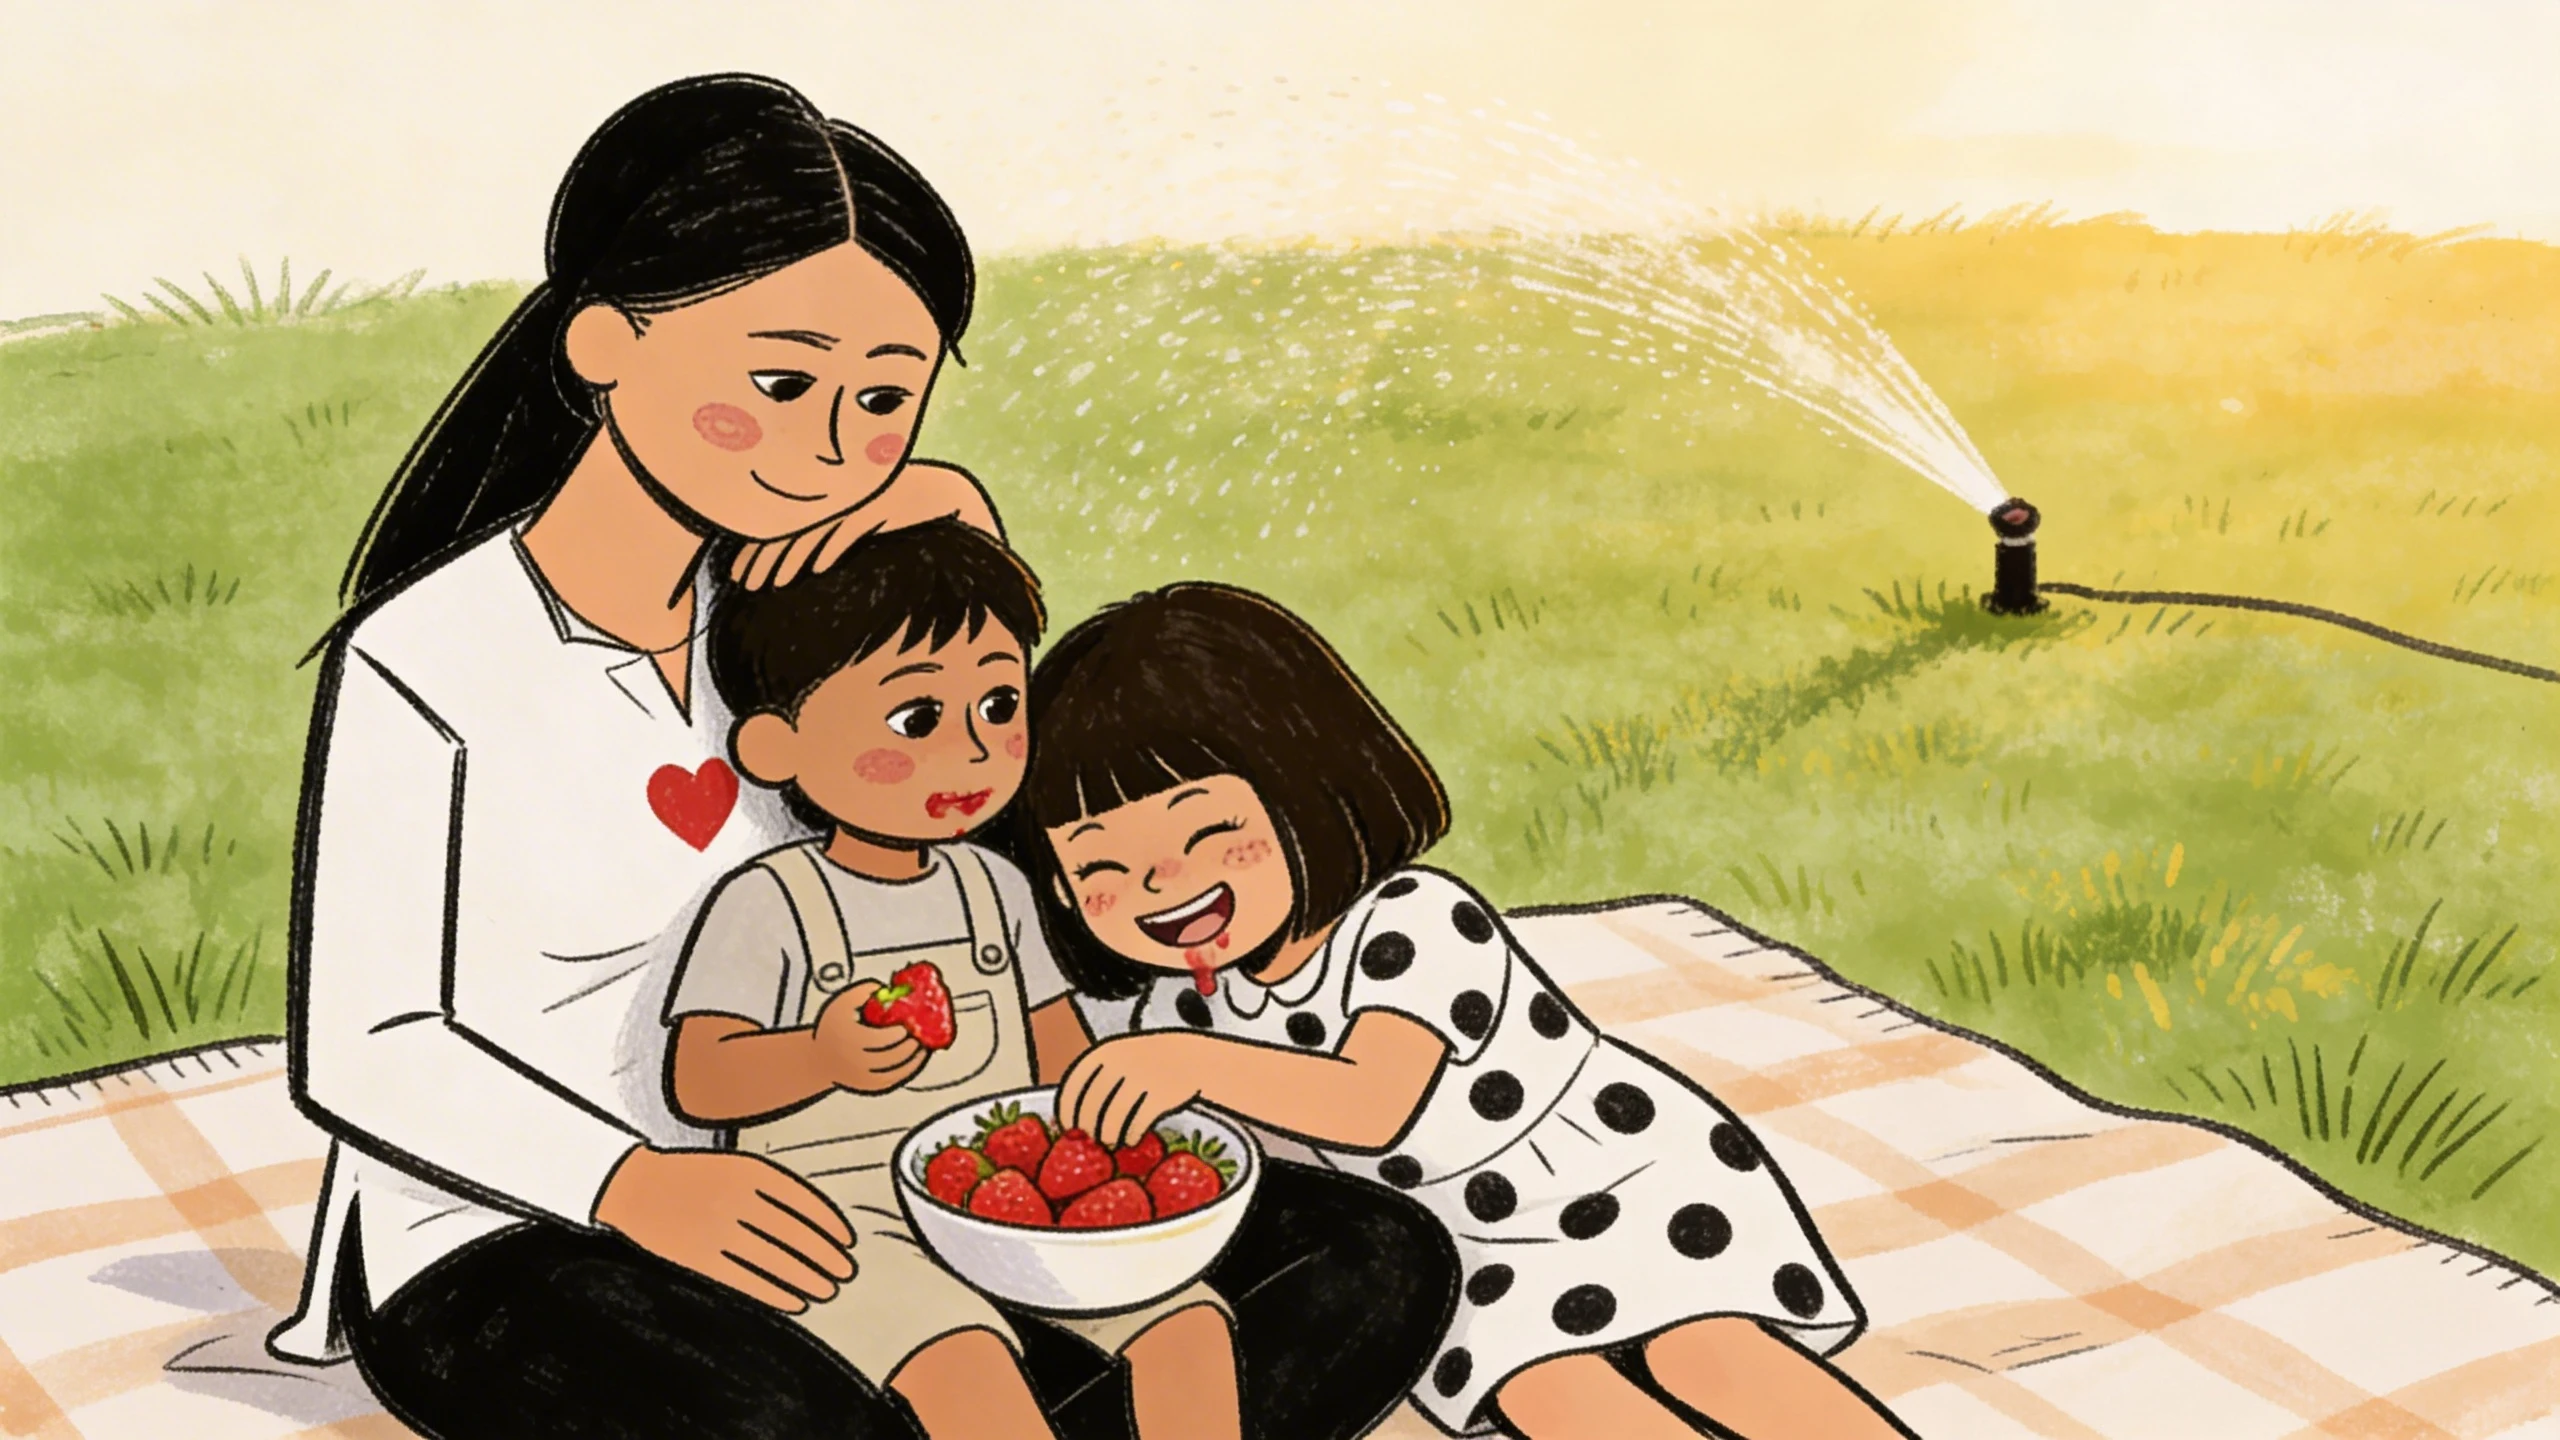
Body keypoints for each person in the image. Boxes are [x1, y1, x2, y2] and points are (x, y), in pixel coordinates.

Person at [269, 73, 1453, 1440]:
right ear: (604, 343)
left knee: (1372, 1259)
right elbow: (367, 1047)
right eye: (780, 383)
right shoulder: (429, 655)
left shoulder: (821, 609)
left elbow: (986, 852)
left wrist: (960, 517)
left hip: (896, 1165)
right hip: (527, 1226)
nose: (832, 450)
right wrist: (633, 1185)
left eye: (885, 402)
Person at [1005, 584, 1919, 1440]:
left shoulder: (1410, 922)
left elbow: (1372, 1103)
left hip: (1607, 1187)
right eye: (1100, 871)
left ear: (1307, 788)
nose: (1162, 886)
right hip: (1459, 1252)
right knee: (1553, 1396)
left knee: (1706, 1352)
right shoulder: (1176, 1004)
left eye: (1210, 835)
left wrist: (1190, 1065)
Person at [667, 519, 1240, 1440]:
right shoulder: (772, 900)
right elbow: (700, 1080)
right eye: (917, 719)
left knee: (1190, 1323)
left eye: (1000, 706)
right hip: (844, 1219)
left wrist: (1110, 1134)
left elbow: (1055, 1043)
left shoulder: (994, 885)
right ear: (777, 749)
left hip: (1006, 1192)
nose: (973, 750)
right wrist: (821, 1052)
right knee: (963, 1364)